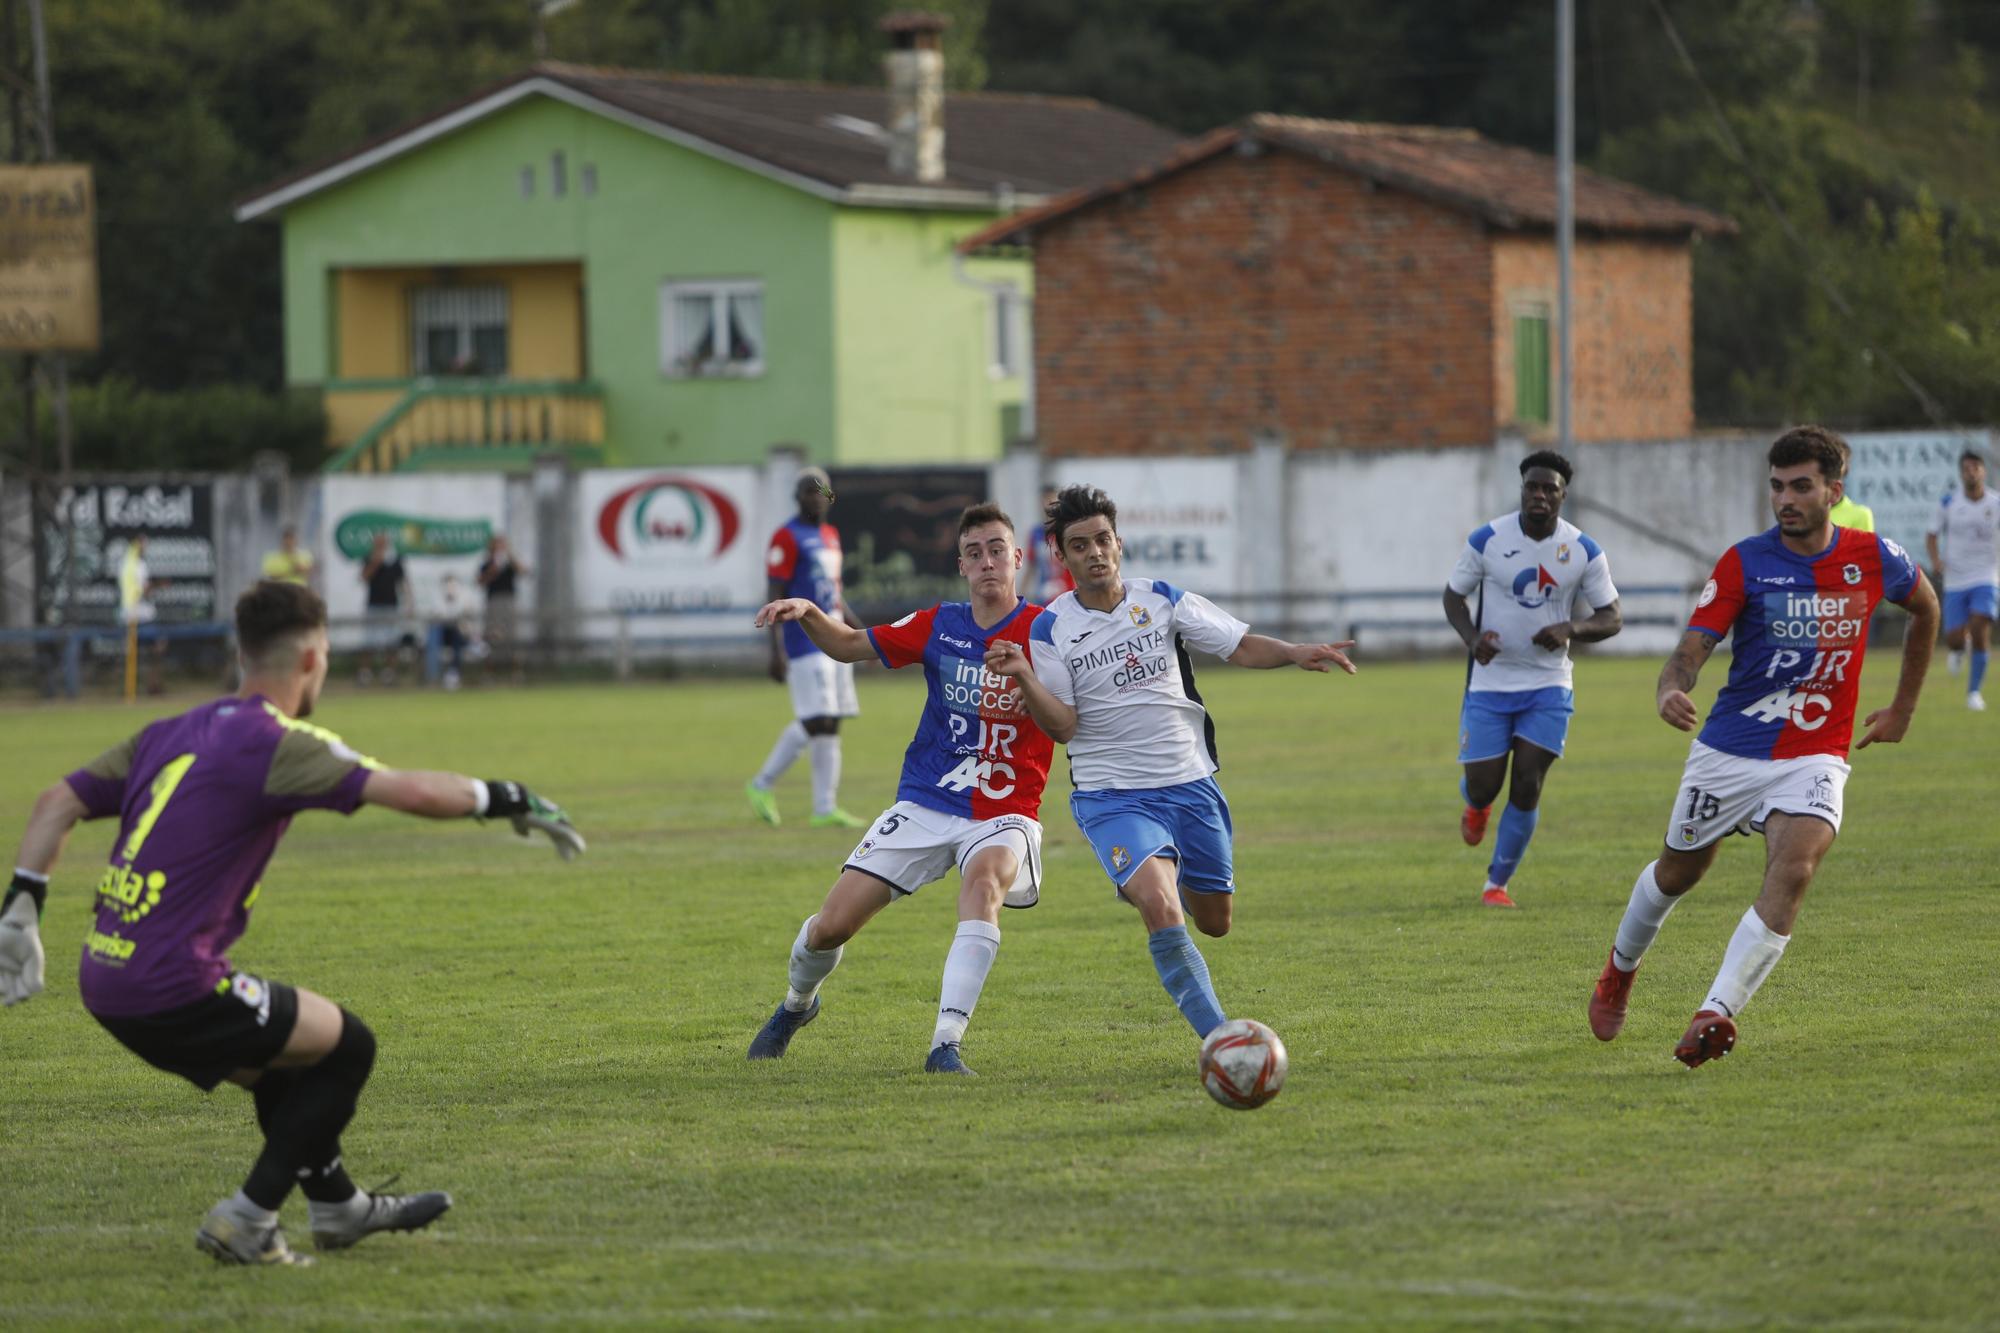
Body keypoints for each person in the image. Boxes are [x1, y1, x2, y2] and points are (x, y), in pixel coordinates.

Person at [0, 580, 584, 1265]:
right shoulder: (280, 742)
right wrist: (505, 795)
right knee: (349, 1046)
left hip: (105, 973)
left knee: (287, 1063)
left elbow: (55, 801)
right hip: (172, 979)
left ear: (240, 652)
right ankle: (249, 1216)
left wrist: (21, 908)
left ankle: (338, 1205)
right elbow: (414, 789)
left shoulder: (175, 728)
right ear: (311, 659)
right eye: (329, 655)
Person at [1586, 425, 1937, 1067]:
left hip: (1816, 751)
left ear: (1834, 490)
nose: (1786, 499)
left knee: (1796, 868)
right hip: (1731, 748)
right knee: (1678, 873)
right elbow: (1694, 647)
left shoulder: (1873, 556)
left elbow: (1926, 608)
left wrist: (1904, 708)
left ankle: (1714, 1014)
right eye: (1776, 486)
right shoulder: (1744, 561)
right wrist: (1670, 688)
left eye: (1801, 486)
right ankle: (1619, 970)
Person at [986, 484, 1356, 1043]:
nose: (1095, 553)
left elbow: (1239, 644)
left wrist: (1296, 653)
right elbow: (1062, 726)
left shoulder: (1160, 599)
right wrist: (1027, 679)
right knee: (1160, 905)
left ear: (1119, 543)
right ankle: (1220, 1038)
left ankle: (1156, 865)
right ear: (1060, 556)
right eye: (1080, 545)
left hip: (1190, 785)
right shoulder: (1051, 628)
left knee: (1215, 922)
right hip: (1112, 795)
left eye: (1103, 540)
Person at [746, 504, 1053, 1075]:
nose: (986, 562)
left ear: (1016, 558)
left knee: (984, 883)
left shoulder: (1050, 630)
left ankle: (945, 1045)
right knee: (829, 927)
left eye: (996, 550)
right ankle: (796, 1006)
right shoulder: (939, 623)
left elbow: (1073, 714)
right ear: (961, 564)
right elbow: (846, 645)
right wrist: (810, 611)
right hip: (926, 801)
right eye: (974, 552)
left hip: (1004, 810)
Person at [1442, 451, 1622, 908]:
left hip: (1548, 684)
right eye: (1532, 487)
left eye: (1550, 489)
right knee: (1485, 784)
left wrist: (1571, 629)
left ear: (1564, 495)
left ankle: (1496, 884)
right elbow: (1453, 596)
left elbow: (1611, 617)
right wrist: (1471, 637)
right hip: (1490, 682)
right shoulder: (1488, 539)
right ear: (1522, 490)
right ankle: (1476, 804)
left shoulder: (1583, 550)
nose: (1540, 495)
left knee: (1527, 782)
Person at [745, 467, 864, 830]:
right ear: (797, 497)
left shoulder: (830, 535)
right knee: (816, 719)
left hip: (836, 634)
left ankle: (824, 808)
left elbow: (833, 592)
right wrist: (775, 649)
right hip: (804, 640)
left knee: (829, 721)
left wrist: (860, 633)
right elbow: (774, 593)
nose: (816, 497)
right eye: (809, 491)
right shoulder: (786, 536)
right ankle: (762, 784)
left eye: (822, 491)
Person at [1924, 448, 2000, 709]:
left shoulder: (1996, 503)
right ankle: (1959, 648)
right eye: (1966, 468)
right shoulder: (1948, 503)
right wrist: (1935, 561)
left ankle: (1974, 693)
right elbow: (1932, 535)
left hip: (1986, 575)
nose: (1971, 472)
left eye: (1976, 467)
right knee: (1955, 638)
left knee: (1980, 626)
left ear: (1983, 471)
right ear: (1961, 473)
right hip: (1956, 579)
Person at [359, 532, 410, 687]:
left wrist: (409, 601)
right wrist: (376, 562)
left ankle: (389, 673)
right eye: (378, 542)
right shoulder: (369, 558)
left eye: (383, 542)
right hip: (373, 604)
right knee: (369, 641)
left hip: (391, 604)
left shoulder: (395, 559)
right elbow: (364, 577)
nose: (381, 545)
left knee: (391, 641)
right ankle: (365, 672)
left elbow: (403, 582)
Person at [476, 534, 528, 684]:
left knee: (513, 637)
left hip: (509, 601)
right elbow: (480, 581)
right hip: (493, 601)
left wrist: (510, 557)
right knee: (492, 638)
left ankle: (516, 673)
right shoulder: (487, 564)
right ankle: (489, 674)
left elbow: (523, 571)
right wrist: (493, 570)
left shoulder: (510, 563)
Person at [1021, 485, 1076, 603]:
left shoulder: (1068, 530)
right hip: (1044, 599)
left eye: (1053, 500)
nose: (1049, 504)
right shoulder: (1035, 533)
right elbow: (1031, 566)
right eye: (1046, 499)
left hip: (1068, 598)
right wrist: (1020, 595)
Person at [433, 573, 473, 690]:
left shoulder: (464, 596)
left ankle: (453, 673)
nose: (450, 587)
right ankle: (433, 674)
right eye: (447, 585)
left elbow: (463, 614)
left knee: (457, 635)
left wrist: (453, 601)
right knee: (435, 634)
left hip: (461, 635)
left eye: (452, 585)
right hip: (443, 635)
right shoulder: (438, 598)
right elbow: (439, 615)